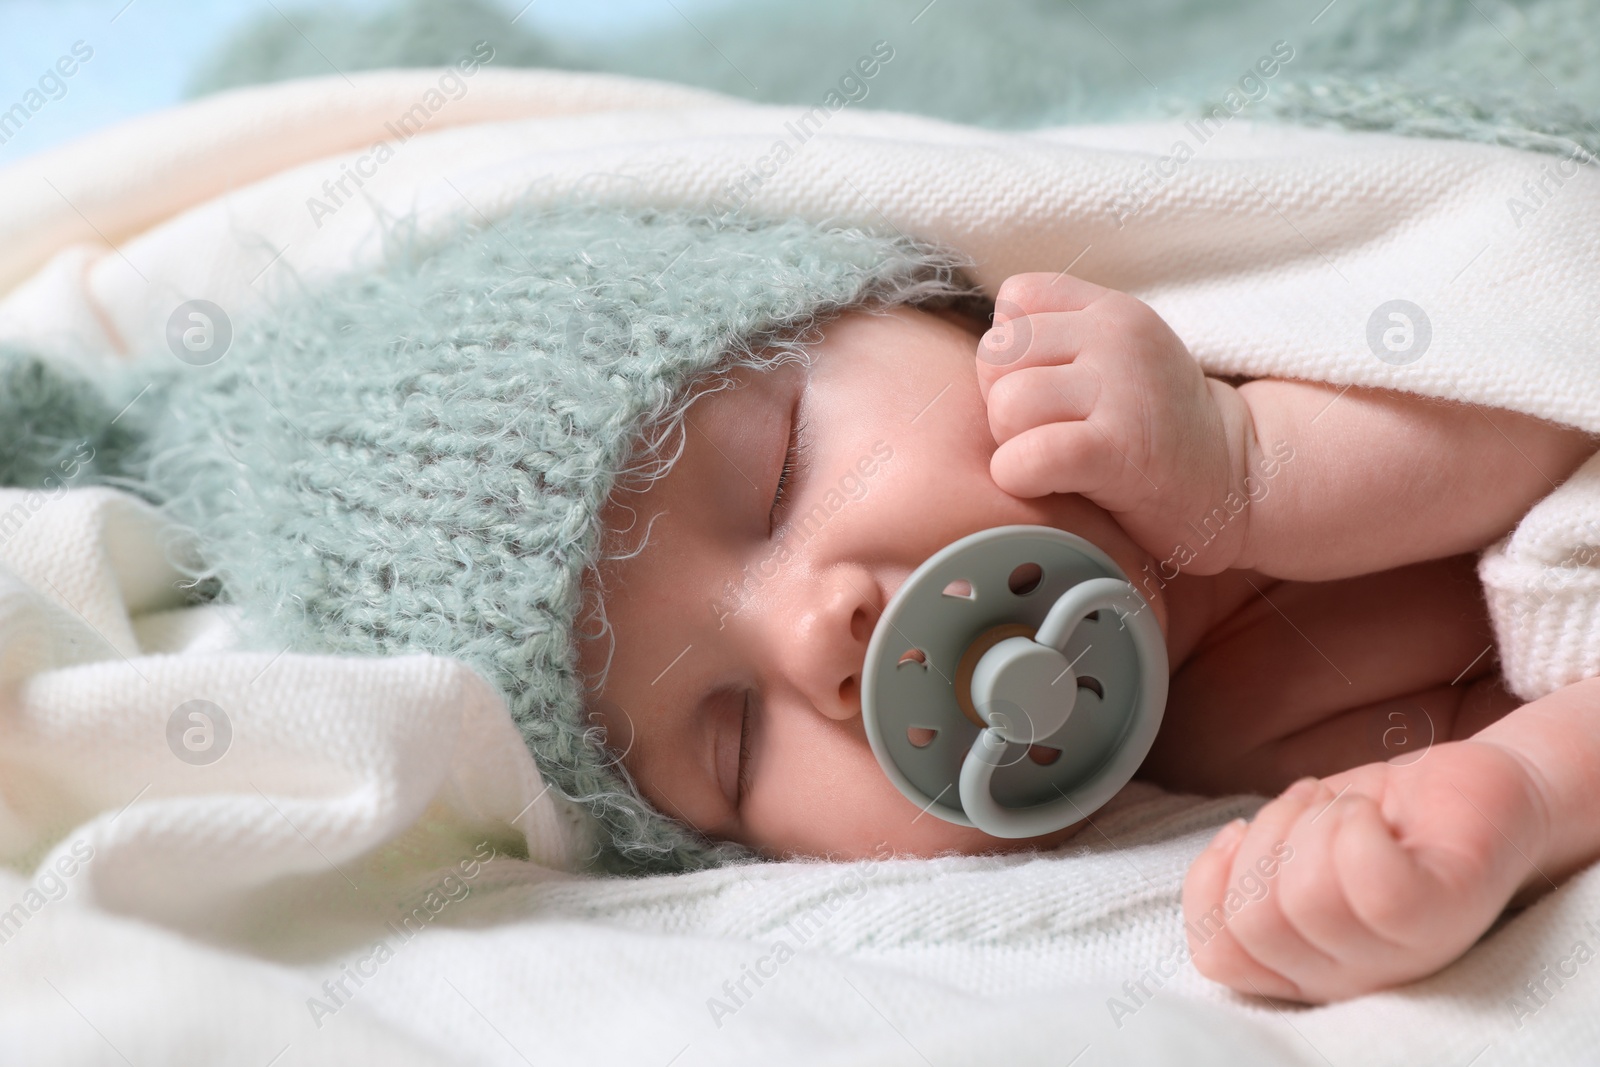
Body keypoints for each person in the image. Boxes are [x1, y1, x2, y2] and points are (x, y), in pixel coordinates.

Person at [575, 270, 1600, 1003]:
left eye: (779, 467)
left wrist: (1245, 464)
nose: (814, 639)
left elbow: (1537, 366)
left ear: (931, 307)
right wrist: (1506, 799)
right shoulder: (1214, 744)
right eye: (734, 739)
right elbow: (1541, 690)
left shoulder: (1183, 344)